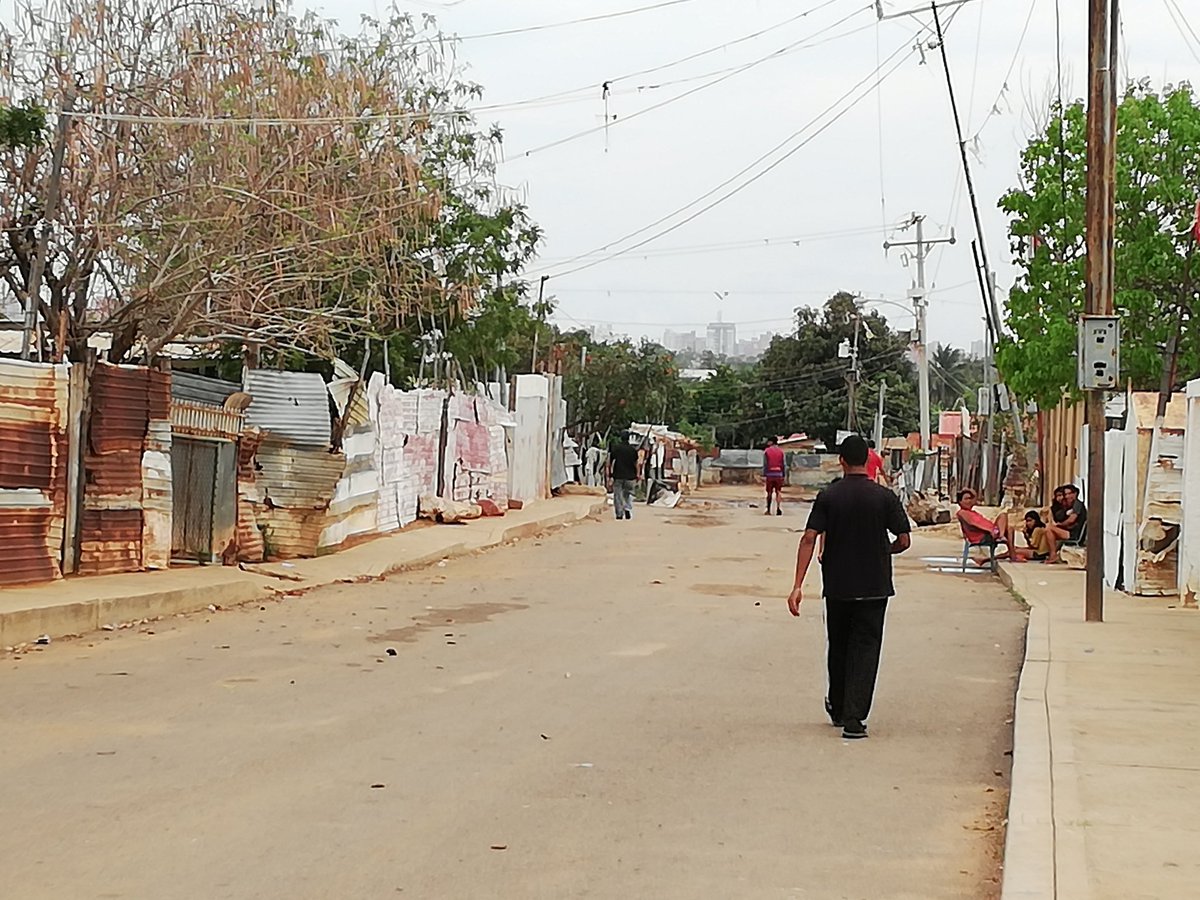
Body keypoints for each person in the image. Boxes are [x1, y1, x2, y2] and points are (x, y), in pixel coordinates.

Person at [787, 435, 912, 741]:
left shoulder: (829, 496)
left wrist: (797, 585)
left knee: (839, 645)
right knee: (866, 649)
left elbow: (809, 537)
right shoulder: (885, 497)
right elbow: (904, 540)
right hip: (875, 587)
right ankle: (855, 719)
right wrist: (886, 550)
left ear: (841, 461)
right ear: (869, 462)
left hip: (838, 586)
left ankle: (839, 707)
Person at [955, 489, 1016, 564]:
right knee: (1004, 518)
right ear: (960, 502)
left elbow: (975, 498)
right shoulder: (962, 512)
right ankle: (1001, 537)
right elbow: (973, 523)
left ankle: (1011, 554)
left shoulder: (972, 512)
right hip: (982, 535)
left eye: (970, 498)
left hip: (991, 531)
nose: (969, 501)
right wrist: (990, 530)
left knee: (1008, 526)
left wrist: (970, 491)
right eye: (966, 499)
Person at [1045, 484, 1087, 563]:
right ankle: (1052, 554)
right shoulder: (1068, 506)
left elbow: (1071, 519)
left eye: (1069, 494)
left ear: (1075, 494)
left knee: (1049, 529)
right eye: (1066, 494)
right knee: (1049, 530)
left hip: (1074, 534)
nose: (1067, 496)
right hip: (1069, 531)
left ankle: (1053, 555)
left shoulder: (1077, 504)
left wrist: (1060, 525)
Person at [607, 432, 640, 521]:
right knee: (628, 494)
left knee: (618, 495)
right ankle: (627, 508)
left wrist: (609, 474)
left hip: (618, 475)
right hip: (630, 476)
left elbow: (610, 463)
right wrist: (638, 474)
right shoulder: (633, 450)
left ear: (621, 438)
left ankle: (619, 513)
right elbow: (636, 463)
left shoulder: (616, 449)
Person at [763, 437, 786, 516]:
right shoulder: (781, 452)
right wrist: (783, 474)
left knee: (769, 492)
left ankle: (768, 510)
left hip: (770, 473)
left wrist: (764, 474)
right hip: (779, 473)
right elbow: (783, 464)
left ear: (771, 442)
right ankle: (778, 508)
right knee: (778, 492)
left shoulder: (767, 451)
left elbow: (765, 464)